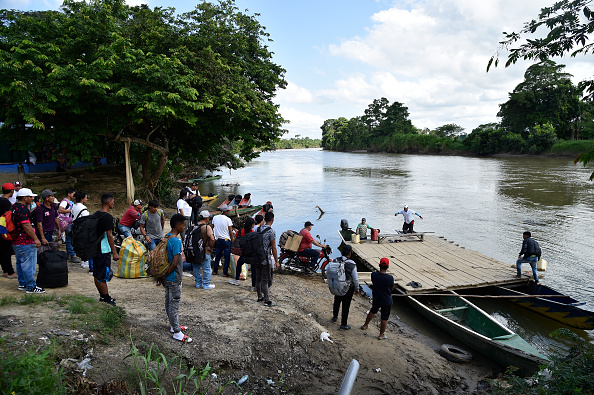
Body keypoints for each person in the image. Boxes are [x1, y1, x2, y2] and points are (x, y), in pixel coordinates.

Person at [157, 213, 192, 343]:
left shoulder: (166, 237)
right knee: (174, 304)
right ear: (178, 226)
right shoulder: (176, 241)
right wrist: (166, 275)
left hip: (166, 277)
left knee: (168, 302)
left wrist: (162, 276)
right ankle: (177, 332)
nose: (184, 227)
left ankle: (174, 325)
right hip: (173, 277)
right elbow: (175, 262)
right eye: (183, 225)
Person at [12, 188, 44, 293]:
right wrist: (35, 238)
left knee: (20, 263)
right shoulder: (23, 209)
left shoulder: (14, 207)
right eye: (30, 197)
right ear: (25, 198)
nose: (32, 199)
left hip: (16, 240)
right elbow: (26, 225)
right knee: (28, 264)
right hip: (25, 241)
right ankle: (31, 286)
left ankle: (22, 283)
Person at [92, 193, 119, 305]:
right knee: (102, 275)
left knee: (97, 274)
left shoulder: (96, 214)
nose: (113, 203)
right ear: (109, 202)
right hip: (104, 249)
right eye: (113, 201)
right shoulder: (108, 217)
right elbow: (109, 236)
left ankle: (102, 296)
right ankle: (107, 298)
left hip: (95, 248)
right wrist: (114, 252)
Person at [361, 257, 395, 340]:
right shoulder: (390, 278)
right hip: (386, 300)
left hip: (377, 298)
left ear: (379, 265)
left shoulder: (374, 275)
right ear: (387, 267)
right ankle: (381, 335)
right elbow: (392, 288)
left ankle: (365, 325)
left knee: (373, 311)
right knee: (384, 317)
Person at [331, 245, 359, 330]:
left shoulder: (336, 260)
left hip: (337, 285)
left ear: (342, 252)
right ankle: (343, 324)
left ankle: (335, 317)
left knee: (337, 301)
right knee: (346, 306)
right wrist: (356, 289)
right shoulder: (352, 264)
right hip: (348, 288)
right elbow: (355, 279)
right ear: (350, 253)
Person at [255, 211, 279, 307]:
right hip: (265, 258)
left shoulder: (258, 229)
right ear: (272, 220)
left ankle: (259, 297)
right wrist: (277, 261)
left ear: (264, 219)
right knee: (265, 280)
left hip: (257, 257)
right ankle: (267, 300)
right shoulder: (271, 231)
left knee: (258, 278)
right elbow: (273, 248)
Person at [192, 210, 216, 290]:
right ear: (207, 218)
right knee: (206, 268)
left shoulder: (194, 226)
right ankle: (206, 284)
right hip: (205, 250)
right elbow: (212, 239)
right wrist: (211, 247)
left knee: (196, 267)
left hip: (195, 251)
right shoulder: (206, 227)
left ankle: (198, 283)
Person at [229, 217, 255, 286]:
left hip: (243, 252)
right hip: (251, 253)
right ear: (251, 225)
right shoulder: (253, 232)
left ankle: (237, 280)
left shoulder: (240, 231)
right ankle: (253, 285)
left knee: (239, 264)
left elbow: (235, 238)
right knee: (253, 268)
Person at [58, 187, 80, 263]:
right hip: (67, 223)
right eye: (74, 194)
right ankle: (72, 254)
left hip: (71, 222)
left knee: (71, 238)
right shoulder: (65, 202)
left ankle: (70, 253)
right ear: (69, 194)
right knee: (69, 238)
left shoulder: (71, 202)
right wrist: (70, 210)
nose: (75, 195)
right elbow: (60, 210)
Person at [72, 191, 92, 271]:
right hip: (83, 228)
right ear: (82, 198)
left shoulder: (74, 206)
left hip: (76, 227)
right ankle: (86, 261)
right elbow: (86, 219)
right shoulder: (83, 208)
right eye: (85, 197)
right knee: (86, 245)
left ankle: (83, 260)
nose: (86, 199)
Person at [212, 205, 234, 276]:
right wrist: (233, 240)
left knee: (217, 255)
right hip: (226, 240)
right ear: (226, 211)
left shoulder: (215, 218)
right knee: (226, 257)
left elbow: (211, 227)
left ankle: (215, 271)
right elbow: (230, 232)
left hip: (218, 240)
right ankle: (225, 272)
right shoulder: (228, 219)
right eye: (228, 211)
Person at [0, 183, 16, 278]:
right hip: (4, 228)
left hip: (1, 227)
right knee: (6, 250)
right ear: (11, 191)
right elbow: (8, 217)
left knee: (2, 250)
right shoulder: (5, 202)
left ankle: (5, 270)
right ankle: (10, 271)